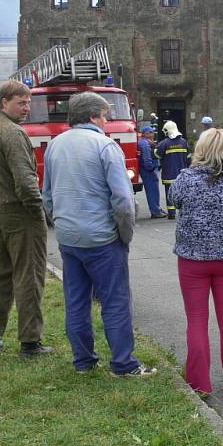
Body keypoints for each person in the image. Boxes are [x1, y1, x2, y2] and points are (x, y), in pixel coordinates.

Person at [43, 92, 155, 376]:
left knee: (76, 301)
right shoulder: (105, 146)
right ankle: (123, 363)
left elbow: (47, 195)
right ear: (94, 116)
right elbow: (123, 200)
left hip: (69, 237)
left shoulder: (54, 146)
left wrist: (61, 221)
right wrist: (125, 235)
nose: (107, 121)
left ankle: (83, 361)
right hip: (103, 238)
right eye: (105, 115)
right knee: (115, 300)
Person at [0, 80, 52, 358]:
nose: (26, 108)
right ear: (4, 101)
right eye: (21, 102)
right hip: (20, 214)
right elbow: (25, 181)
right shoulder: (12, 133)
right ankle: (31, 342)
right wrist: (38, 212)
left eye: (28, 102)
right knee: (30, 275)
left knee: (0, 273)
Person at [169, 128, 223, 395]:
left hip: (192, 258)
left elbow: (174, 200)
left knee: (197, 319)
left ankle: (200, 381)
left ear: (201, 150)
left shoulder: (185, 178)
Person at [155, 120, 189, 220]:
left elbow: (157, 154)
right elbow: (189, 157)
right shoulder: (183, 142)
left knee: (169, 194)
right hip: (182, 174)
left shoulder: (164, 143)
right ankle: (184, 212)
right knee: (183, 193)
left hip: (169, 174)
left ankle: (171, 213)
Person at [138, 126, 166, 218]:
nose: (153, 134)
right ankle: (155, 211)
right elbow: (146, 158)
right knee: (152, 190)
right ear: (146, 134)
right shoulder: (145, 144)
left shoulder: (145, 142)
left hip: (147, 170)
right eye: (151, 132)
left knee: (153, 189)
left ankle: (157, 209)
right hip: (148, 170)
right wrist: (150, 168)